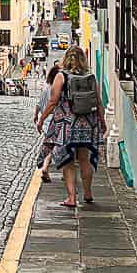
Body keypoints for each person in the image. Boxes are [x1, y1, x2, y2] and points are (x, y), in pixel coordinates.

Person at [37, 45, 105, 207]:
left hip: (67, 124)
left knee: (68, 162)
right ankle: (88, 193)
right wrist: (102, 121)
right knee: (84, 159)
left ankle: (72, 198)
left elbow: (53, 101)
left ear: (66, 59)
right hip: (87, 124)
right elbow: (98, 101)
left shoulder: (61, 76)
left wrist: (42, 118)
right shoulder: (90, 77)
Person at [34, 63, 61, 182]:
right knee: (56, 146)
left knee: (50, 145)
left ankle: (45, 167)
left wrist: (36, 116)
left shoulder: (45, 87)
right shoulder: (58, 88)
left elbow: (39, 104)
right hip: (56, 119)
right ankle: (46, 167)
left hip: (45, 120)